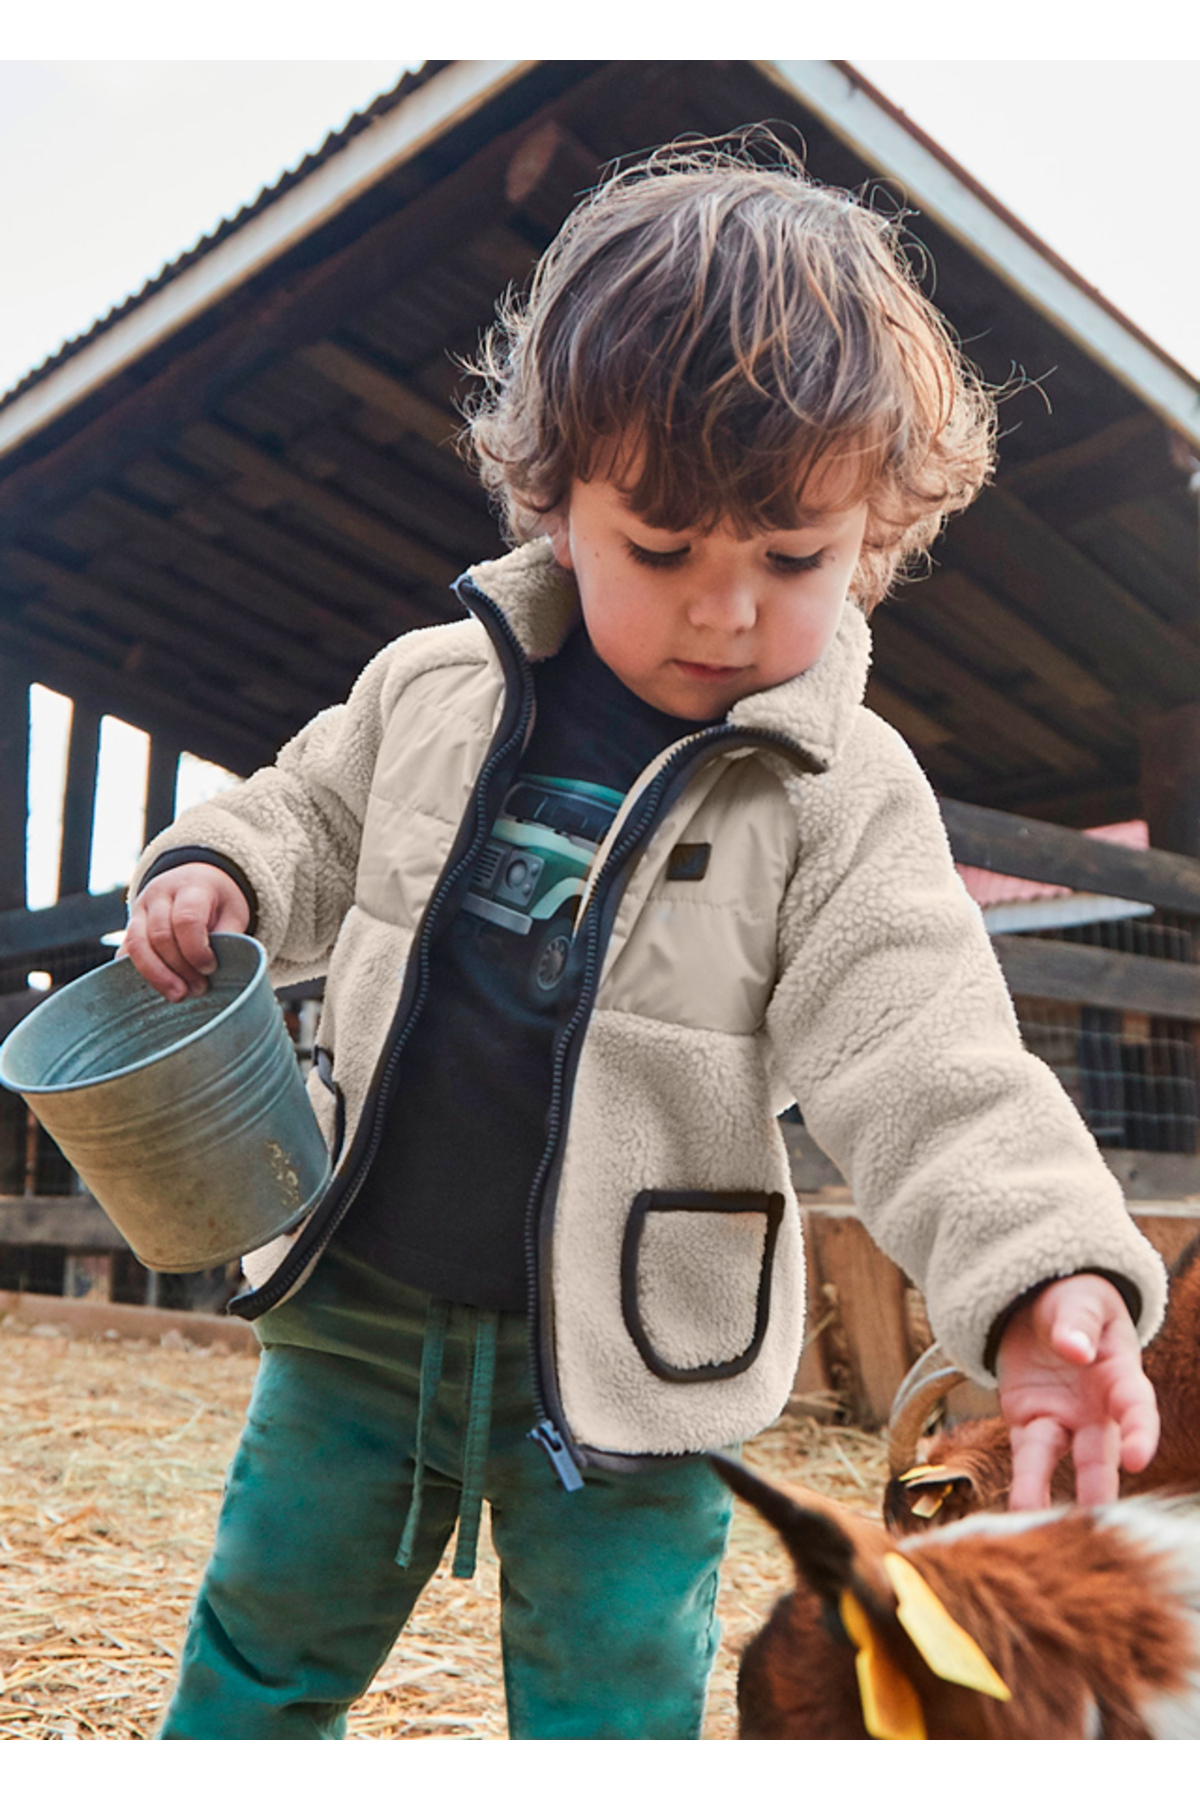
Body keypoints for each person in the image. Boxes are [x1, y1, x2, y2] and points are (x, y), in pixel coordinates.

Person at [123, 132, 1166, 1740]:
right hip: (359, 1314)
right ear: (555, 505)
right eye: (663, 550)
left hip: (639, 1364)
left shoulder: (839, 791)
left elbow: (929, 1054)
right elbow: (307, 814)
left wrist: (1040, 1277)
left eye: (794, 559)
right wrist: (218, 870)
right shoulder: (433, 686)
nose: (725, 611)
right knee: (263, 1642)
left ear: (876, 531)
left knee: (615, 1701)